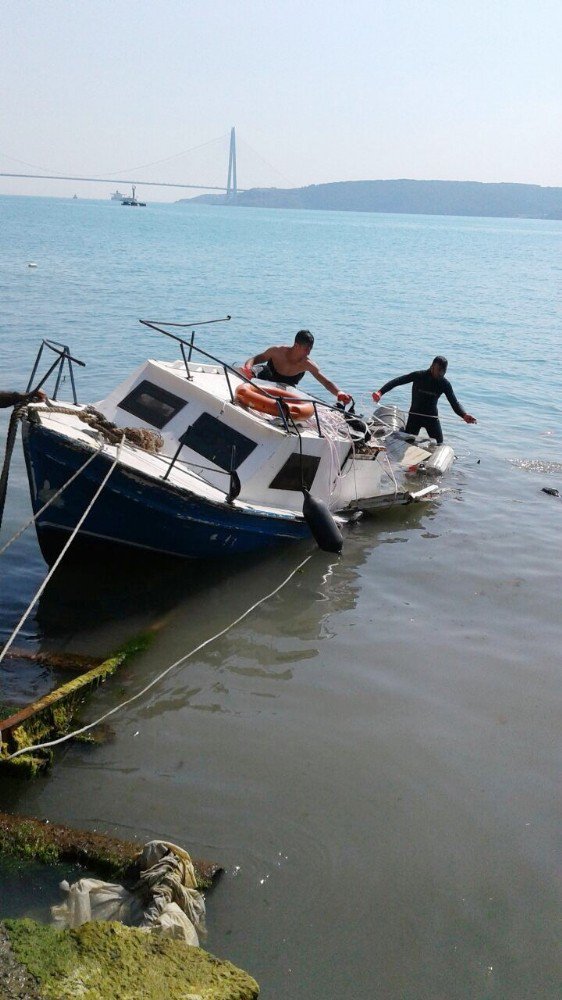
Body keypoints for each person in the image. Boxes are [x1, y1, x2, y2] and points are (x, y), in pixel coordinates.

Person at [372, 356, 476, 445]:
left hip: (432, 418)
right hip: (415, 417)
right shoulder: (419, 376)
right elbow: (397, 381)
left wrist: (464, 415)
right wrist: (380, 392)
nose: (441, 373)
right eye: (439, 370)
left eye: (444, 371)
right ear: (432, 366)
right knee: (407, 443)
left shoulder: (445, 384)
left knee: (439, 444)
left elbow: (454, 403)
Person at [242, 329, 352, 405]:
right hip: (264, 380)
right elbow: (255, 359)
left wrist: (339, 392)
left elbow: (326, 382)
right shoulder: (277, 351)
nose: (308, 353)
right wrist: (248, 367)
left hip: (284, 388)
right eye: (306, 349)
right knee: (259, 369)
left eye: (310, 349)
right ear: (296, 345)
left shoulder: (307, 364)